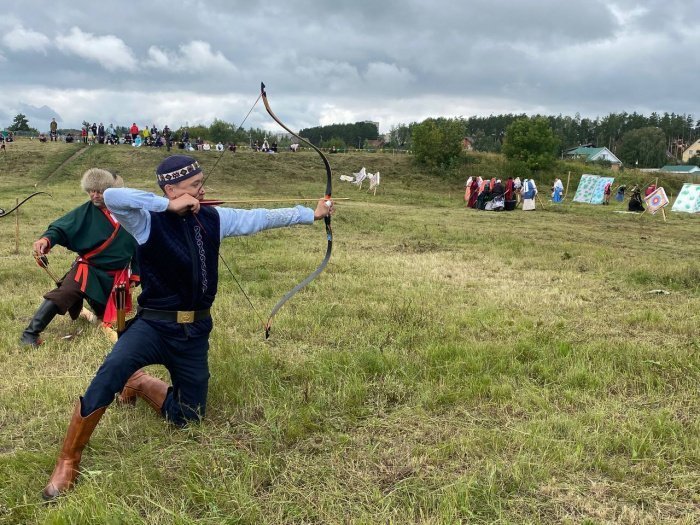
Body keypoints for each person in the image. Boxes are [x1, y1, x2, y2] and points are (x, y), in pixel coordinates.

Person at [41, 154, 335, 500]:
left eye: (200, 183)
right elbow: (113, 197)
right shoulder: (146, 221)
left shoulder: (213, 217)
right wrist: (167, 205)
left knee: (189, 417)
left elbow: (260, 217)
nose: (202, 189)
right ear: (172, 188)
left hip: (194, 331)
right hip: (153, 325)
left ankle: (142, 383)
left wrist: (311, 214)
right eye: (195, 185)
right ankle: (68, 458)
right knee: (110, 373)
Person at [21, 169, 139, 347]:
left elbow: (140, 245)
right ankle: (29, 335)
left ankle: (101, 315)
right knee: (64, 293)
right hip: (88, 269)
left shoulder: (129, 214)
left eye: (100, 191)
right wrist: (46, 239)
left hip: (118, 276)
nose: (95, 195)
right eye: (91, 190)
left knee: (116, 318)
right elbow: (60, 228)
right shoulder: (85, 211)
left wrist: (135, 275)